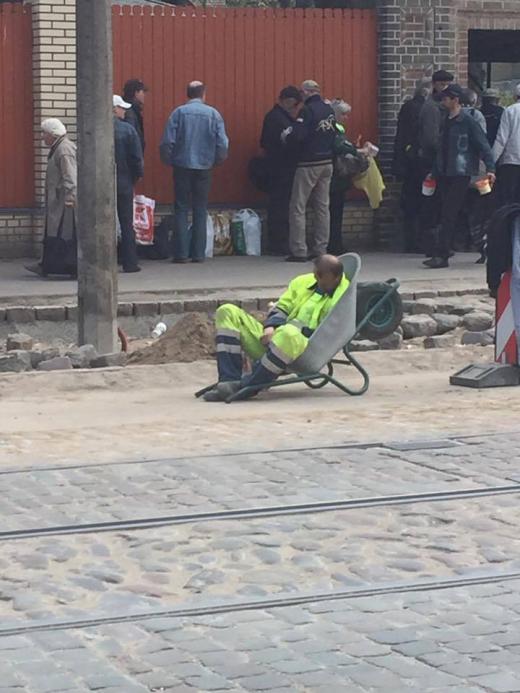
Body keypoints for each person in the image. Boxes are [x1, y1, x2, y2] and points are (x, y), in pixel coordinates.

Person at [203, 254, 350, 401]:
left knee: (289, 333)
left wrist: (284, 332)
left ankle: (247, 386)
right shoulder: (303, 282)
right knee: (227, 311)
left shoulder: (342, 298)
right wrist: (271, 327)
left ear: (336, 278)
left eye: (322, 278)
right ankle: (228, 382)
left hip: (301, 350)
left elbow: (326, 333)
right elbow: (282, 307)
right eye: (316, 275)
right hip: (276, 340)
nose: (317, 280)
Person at [424, 83, 496, 269]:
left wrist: (490, 168)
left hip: (462, 173)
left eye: (446, 98)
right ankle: (447, 250)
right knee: (447, 212)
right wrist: (434, 171)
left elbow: (483, 145)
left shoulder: (468, 122)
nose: (443, 101)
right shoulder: (445, 120)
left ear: (455, 100)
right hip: (445, 172)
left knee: (449, 213)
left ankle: (442, 255)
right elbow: (441, 150)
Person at [160, 81, 229, 264]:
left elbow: (167, 141)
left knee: (181, 207)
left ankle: (181, 253)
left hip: (181, 165)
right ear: (203, 94)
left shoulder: (178, 113)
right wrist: (216, 160)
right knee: (200, 208)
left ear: (188, 93)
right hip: (204, 166)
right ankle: (198, 254)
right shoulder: (213, 114)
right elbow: (222, 143)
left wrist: (169, 159)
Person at [285, 80, 336, 262]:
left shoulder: (307, 110)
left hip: (308, 163)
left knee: (298, 206)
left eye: (301, 92)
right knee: (322, 207)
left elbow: (298, 135)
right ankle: (321, 248)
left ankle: (299, 250)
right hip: (327, 162)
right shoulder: (329, 110)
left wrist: (287, 135)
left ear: (307, 92)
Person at [25, 119, 77, 278]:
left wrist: (70, 196)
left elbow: (70, 175)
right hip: (58, 200)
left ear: (53, 134)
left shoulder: (64, 149)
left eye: (45, 133)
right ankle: (47, 265)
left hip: (64, 202)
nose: (42, 137)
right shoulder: (58, 147)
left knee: (62, 233)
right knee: (54, 232)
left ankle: (63, 266)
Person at [260, 85, 302, 255]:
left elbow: (263, 142)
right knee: (281, 206)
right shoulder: (279, 119)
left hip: (276, 167)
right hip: (281, 168)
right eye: (294, 104)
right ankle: (279, 243)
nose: (295, 108)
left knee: (279, 205)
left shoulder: (275, 116)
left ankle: (278, 242)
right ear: (288, 101)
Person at [392, 81, 430, 252]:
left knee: (410, 204)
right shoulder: (426, 109)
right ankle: (420, 241)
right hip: (420, 164)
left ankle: (411, 241)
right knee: (423, 203)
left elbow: (401, 136)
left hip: (408, 164)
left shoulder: (408, 107)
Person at [114, 94, 144, 273]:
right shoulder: (127, 130)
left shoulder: (95, 128)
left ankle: (103, 260)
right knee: (126, 222)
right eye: (121, 108)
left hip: (100, 183)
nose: (124, 111)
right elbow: (136, 157)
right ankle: (130, 262)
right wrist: (137, 175)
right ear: (114, 109)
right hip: (124, 182)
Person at [328, 99, 358, 255]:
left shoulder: (335, 127)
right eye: (344, 114)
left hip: (336, 176)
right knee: (335, 211)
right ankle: (334, 243)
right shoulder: (334, 128)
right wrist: (355, 149)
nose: (346, 118)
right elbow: (339, 145)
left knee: (336, 211)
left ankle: (335, 242)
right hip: (336, 176)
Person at [493, 84, 520, 206]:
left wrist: (491, 162)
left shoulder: (510, 110)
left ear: (515, 96)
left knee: (509, 200)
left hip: (511, 161)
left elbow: (501, 139)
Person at [123, 78, 147, 152]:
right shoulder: (130, 113)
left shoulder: (130, 110)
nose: (144, 95)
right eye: (143, 92)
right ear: (136, 93)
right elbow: (131, 139)